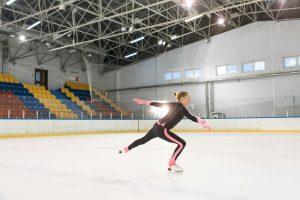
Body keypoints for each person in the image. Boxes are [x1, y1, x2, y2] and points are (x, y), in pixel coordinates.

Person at [119, 91, 211, 172]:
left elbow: (159, 104)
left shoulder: (175, 105)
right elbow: (193, 117)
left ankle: (127, 148)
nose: (189, 100)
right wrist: (203, 123)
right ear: (182, 99)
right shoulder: (181, 108)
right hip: (162, 130)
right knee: (182, 144)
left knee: (143, 140)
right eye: (188, 98)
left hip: (156, 127)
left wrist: (144, 102)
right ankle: (172, 163)